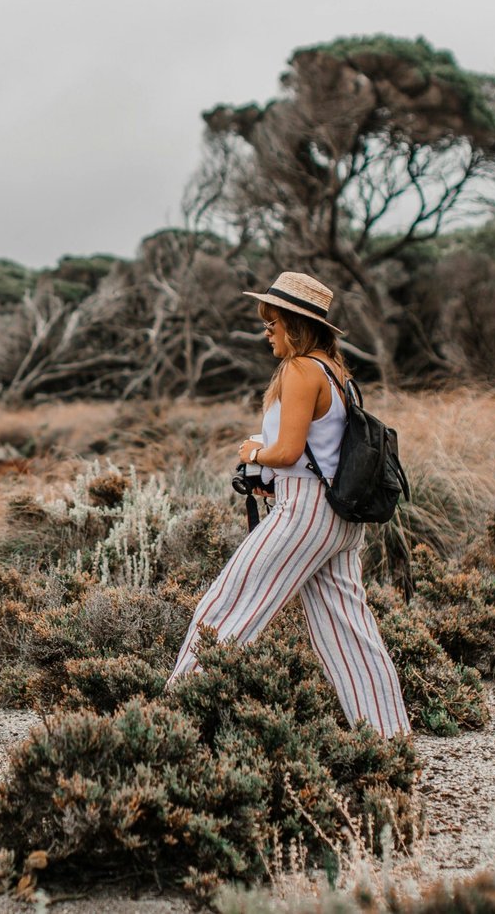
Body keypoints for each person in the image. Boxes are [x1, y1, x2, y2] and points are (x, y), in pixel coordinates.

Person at [168, 271, 412, 738]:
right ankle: (390, 739)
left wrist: (253, 453)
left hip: (306, 514)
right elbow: (322, 451)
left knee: (225, 608)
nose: (267, 330)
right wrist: (273, 477)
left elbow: (289, 451)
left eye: (272, 321)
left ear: (296, 324)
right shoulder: (337, 373)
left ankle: (172, 726)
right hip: (341, 519)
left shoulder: (300, 370)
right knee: (348, 635)